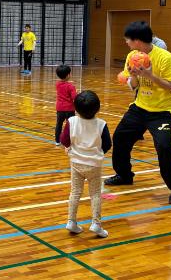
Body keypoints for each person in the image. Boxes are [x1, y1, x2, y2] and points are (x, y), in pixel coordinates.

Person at [104, 21, 171, 205]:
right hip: (140, 107)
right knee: (120, 138)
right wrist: (133, 76)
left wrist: (149, 75)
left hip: (162, 111)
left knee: (165, 147)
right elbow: (133, 86)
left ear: (138, 40)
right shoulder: (132, 56)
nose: (126, 42)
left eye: (128, 39)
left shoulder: (165, 57)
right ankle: (124, 175)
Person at [60, 90, 111, 238]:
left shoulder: (71, 121)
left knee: (75, 192)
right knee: (95, 194)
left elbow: (64, 140)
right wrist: (97, 153)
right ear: (98, 108)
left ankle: (71, 221)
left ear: (76, 108)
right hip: (94, 165)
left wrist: (69, 147)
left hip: (76, 163)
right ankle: (96, 224)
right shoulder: (101, 124)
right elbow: (107, 144)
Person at [55, 64, 77, 146]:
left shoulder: (57, 84)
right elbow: (74, 97)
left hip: (60, 108)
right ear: (68, 75)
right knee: (71, 125)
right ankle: (69, 141)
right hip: (69, 109)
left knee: (59, 124)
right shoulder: (71, 86)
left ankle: (57, 141)